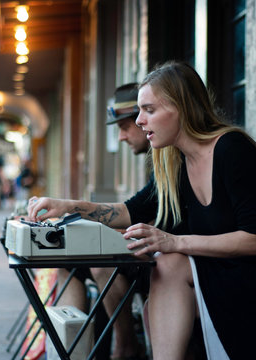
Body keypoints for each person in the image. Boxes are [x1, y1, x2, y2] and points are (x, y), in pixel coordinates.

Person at [28, 60, 256, 360]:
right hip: (211, 278)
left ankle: (125, 351)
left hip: (248, 281)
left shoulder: (232, 149)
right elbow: (131, 210)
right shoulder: (175, 161)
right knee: (163, 264)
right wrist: (66, 206)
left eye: (148, 110)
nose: (139, 121)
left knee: (169, 261)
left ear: (182, 108)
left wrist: (175, 241)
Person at [57, 83, 151, 360]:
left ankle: (124, 346)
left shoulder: (168, 154)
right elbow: (142, 209)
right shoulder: (156, 156)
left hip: (167, 256)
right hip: (150, 245)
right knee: (66, 260)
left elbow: (147, 213)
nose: (121, 137)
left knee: (100, 263)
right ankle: (72, 351)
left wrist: (69, 207)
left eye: (124, 126)